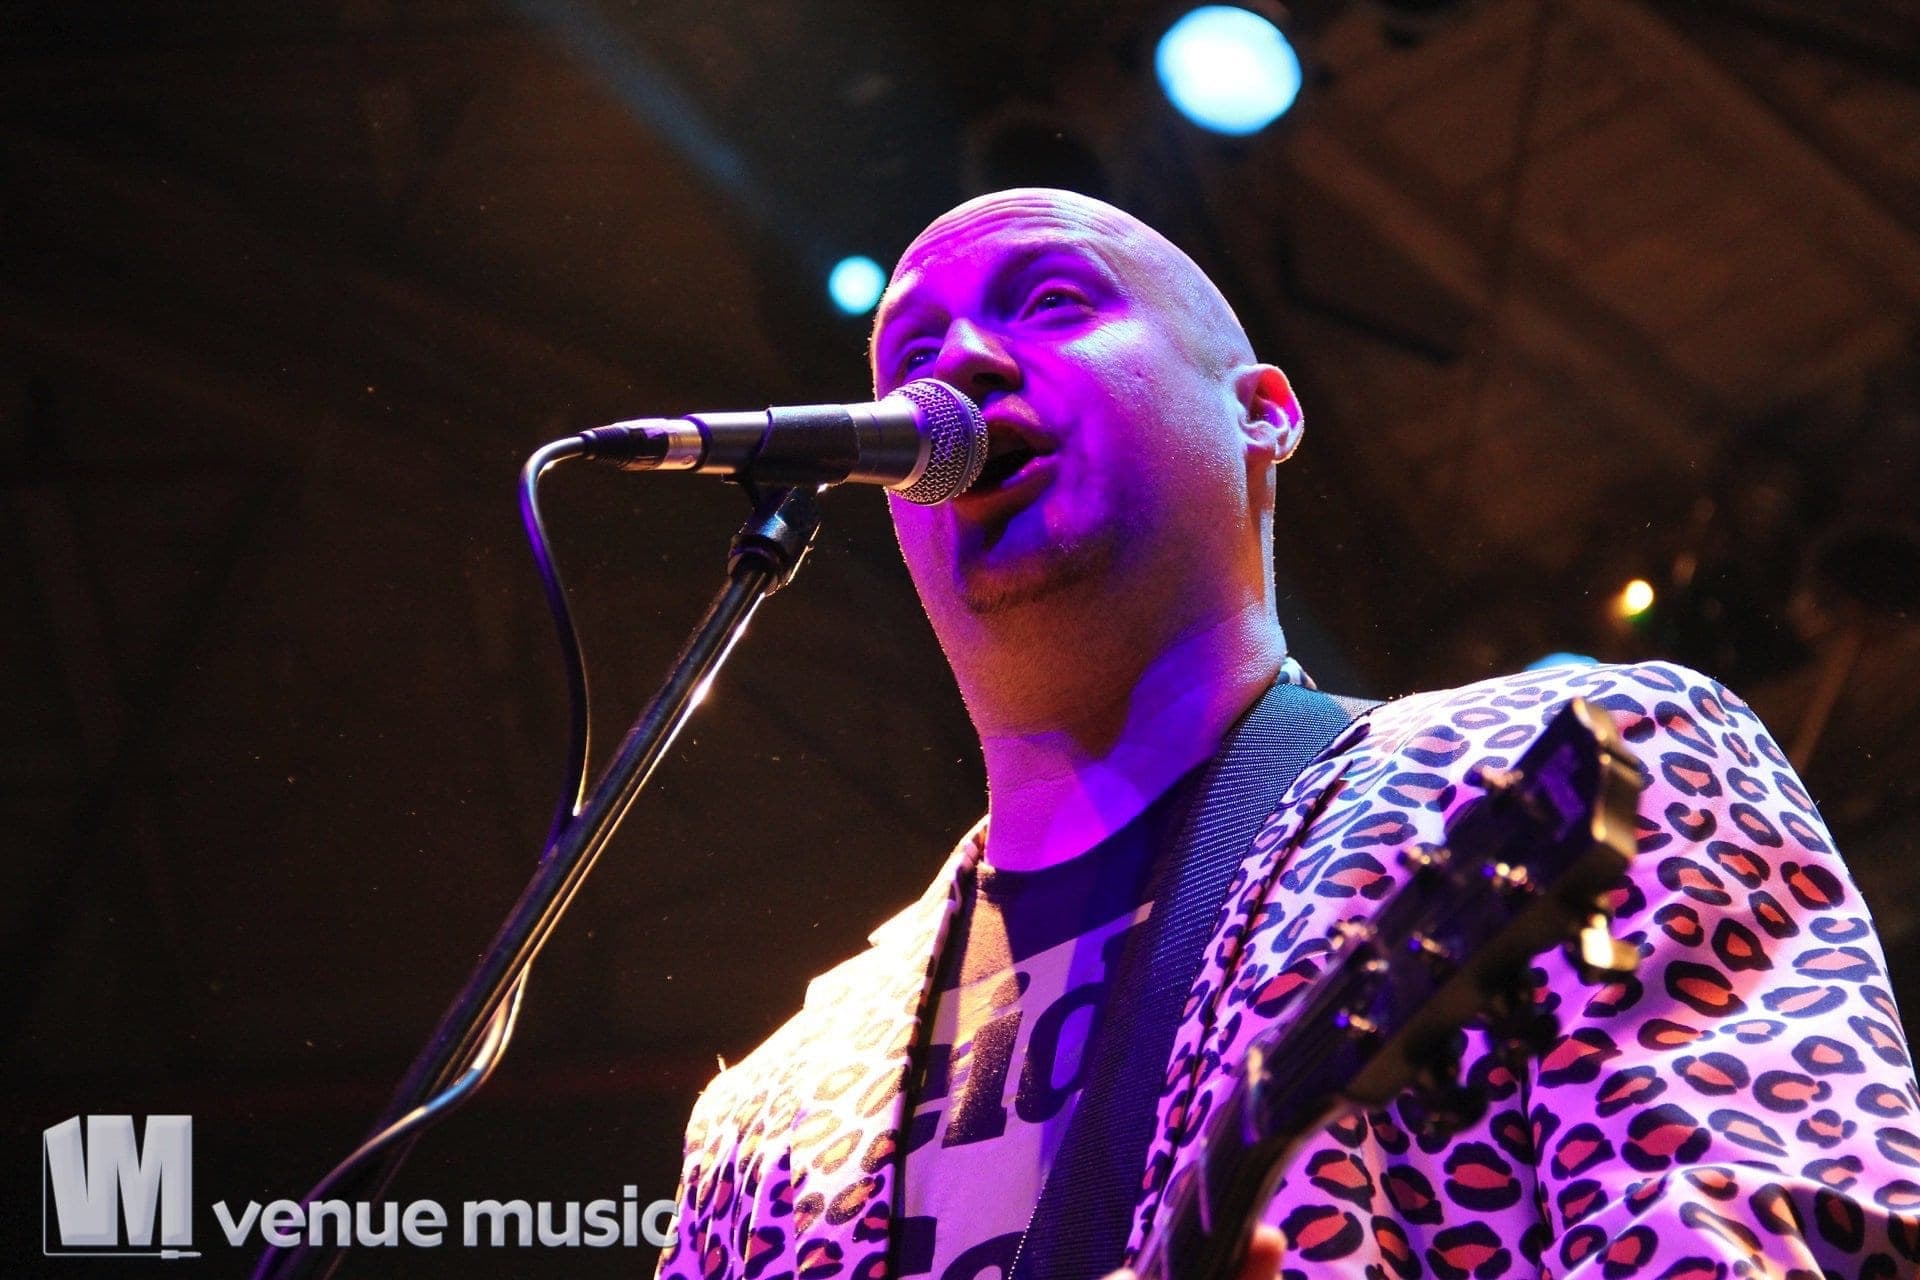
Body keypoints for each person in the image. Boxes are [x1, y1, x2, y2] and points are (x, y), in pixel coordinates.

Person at [655, 189, 1920, 1280]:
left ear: (1263, 413)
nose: (964, 366)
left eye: (1051, 302)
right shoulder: (766, 1114)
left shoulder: (1567, 768)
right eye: (915, 354)